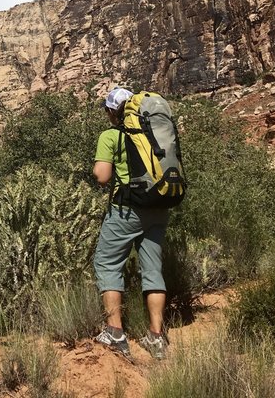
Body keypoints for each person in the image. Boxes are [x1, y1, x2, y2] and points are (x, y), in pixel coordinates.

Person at [92, 87, 169, 359]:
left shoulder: (111, 135)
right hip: (159, 208)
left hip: (126, 210)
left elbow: (102, 176)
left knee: (107, 263)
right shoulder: (154, 133)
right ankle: (156, 337)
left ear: (112, 112)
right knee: (153, 269)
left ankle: (115, 332)